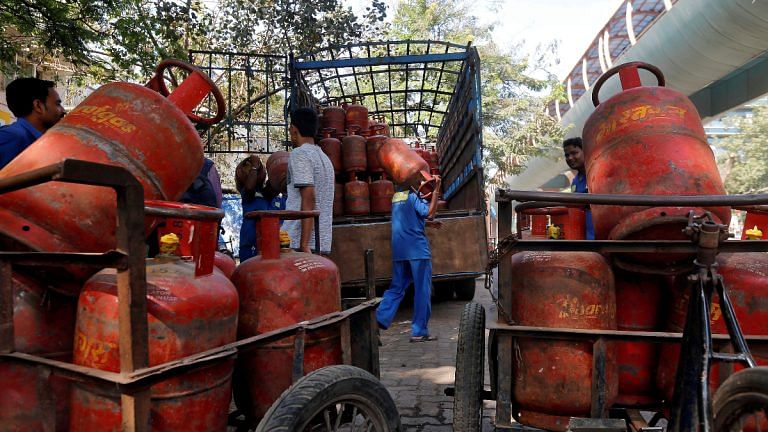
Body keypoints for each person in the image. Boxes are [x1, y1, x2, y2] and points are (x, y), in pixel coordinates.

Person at [376, 176, 442, 343]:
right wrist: (436, 190)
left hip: (399, 250)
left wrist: (427, 225)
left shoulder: (396, 198)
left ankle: (378, 318)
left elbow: (408, 219)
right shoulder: (414, 197)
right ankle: (419, 331)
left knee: (396, 288)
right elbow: (430, 213)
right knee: (422, 290)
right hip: (418, 251)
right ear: (412, 185)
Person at [282, 108, 334, 255]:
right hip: (321, 242)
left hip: (298, 243)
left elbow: (309, 197)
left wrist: (304, 244)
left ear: (293, 129)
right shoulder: (325, 158)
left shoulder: (299, 154)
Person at [0, 77, 66, 169]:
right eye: (58, 104)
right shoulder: (11, 137)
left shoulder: (36, 141)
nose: (63, 110)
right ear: (38, 106)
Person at [236, 154, 274, 261]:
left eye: (257, 171)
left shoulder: (266, 193)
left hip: (266, 240)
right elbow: (249, 187)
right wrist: (255, 167)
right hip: (249, 242)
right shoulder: (246, 192)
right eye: (252, 172)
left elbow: (275, 184)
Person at [563, 137, 595, 240]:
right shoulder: (575, 181)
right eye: (567, 155)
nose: (570, 158)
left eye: (574, 153)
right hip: (582, 238)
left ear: (586, 151)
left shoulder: (596, 174)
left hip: (601, 238)